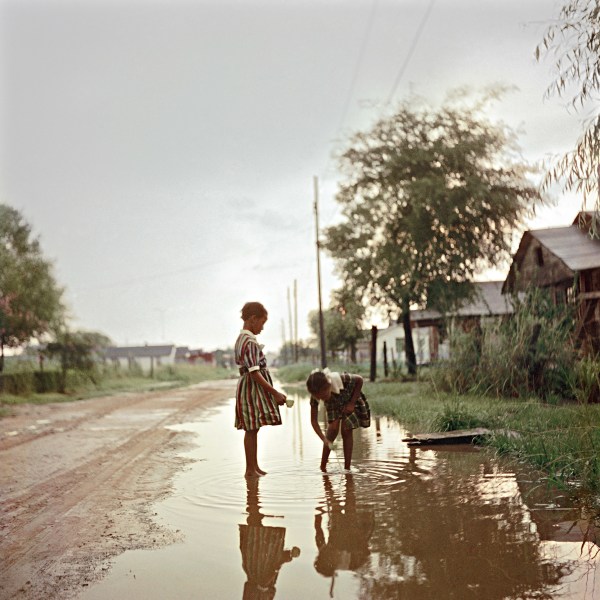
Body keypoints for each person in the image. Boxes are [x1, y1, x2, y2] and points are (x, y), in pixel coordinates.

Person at [235, 301, 286, 478]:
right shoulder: (248, 341)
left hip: (251, 387)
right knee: (251, 428)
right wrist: (275, 392)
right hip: (251, 388)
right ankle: (250, 470)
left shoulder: (246, 339)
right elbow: (254, 373)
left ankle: (254, 466)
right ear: (253, 319)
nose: (262, 328)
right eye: (262, 323)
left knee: (253, 428)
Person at [307, 368, 370, 472]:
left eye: (324, 396)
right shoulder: (315, 395)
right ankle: (323, 467)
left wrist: (352, 403)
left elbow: (360, 379)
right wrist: (324, 439)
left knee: (346, 429)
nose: (322, 399)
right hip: (333, 403)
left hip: (350, 398)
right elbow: (314, 421)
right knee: (332, 431)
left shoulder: (341, 379)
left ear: (329, 385)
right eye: (320, 398)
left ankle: (347, 468)